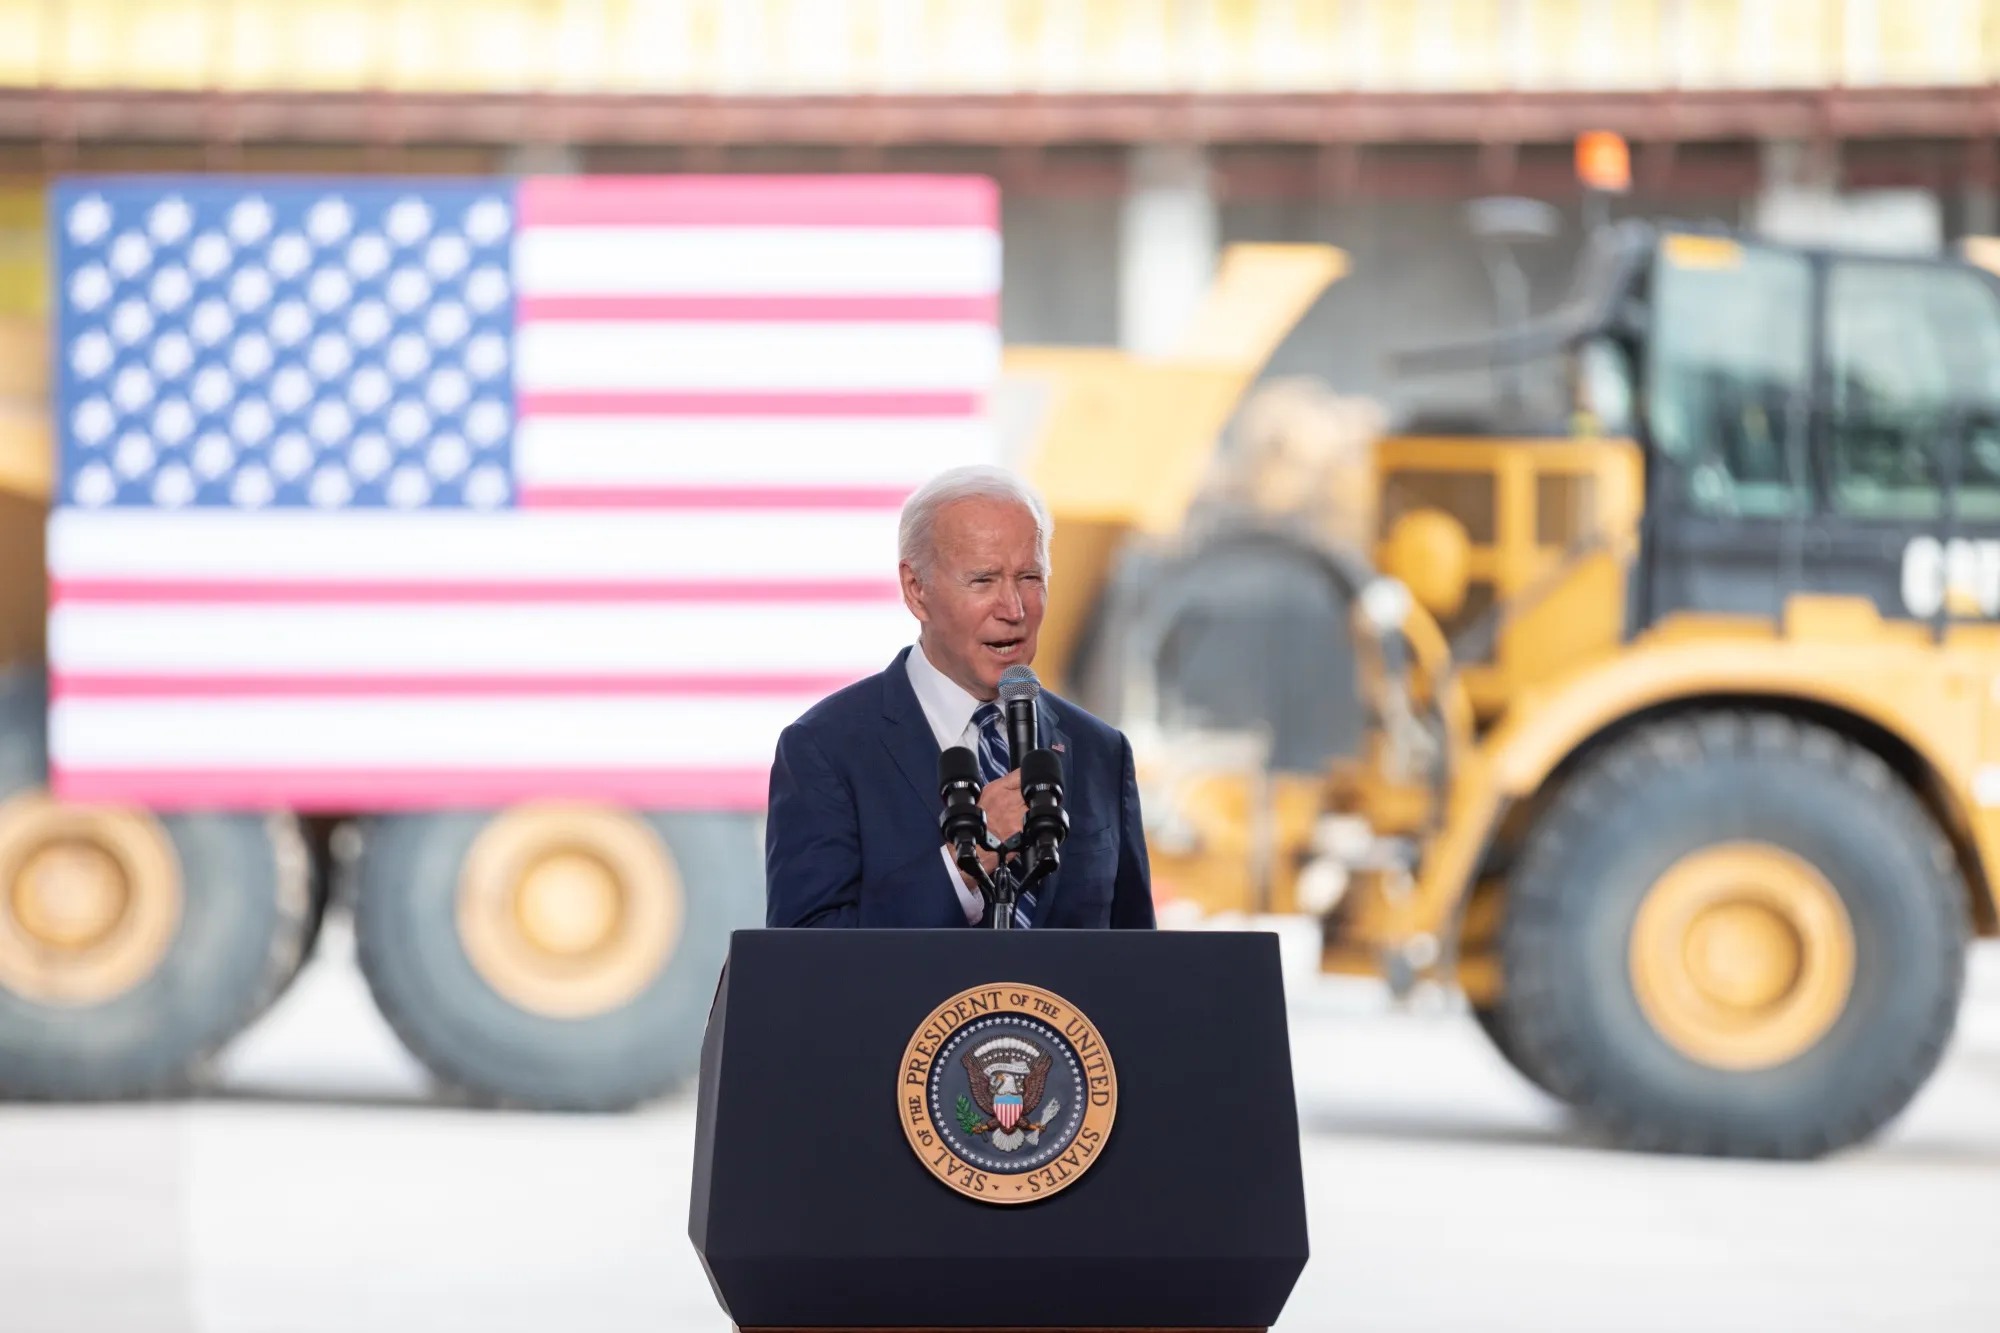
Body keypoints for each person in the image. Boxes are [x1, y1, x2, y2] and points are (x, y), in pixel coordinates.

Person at [764, 464, 1155, 930]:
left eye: (1029, 577)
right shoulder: (827, 749)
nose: (1013, 609)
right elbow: (806, 960)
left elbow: (1137, 963)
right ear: (916, 590)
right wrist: (969, 862)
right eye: (984, 580)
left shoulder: (1099, 752)